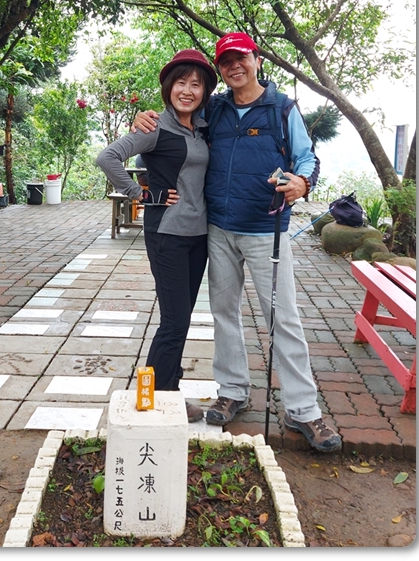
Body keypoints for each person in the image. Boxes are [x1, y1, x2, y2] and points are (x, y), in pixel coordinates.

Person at [133, 33, 341, 453]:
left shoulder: (282, 109)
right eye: (226, 61)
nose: (234, 66)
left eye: (240, 57)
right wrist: (144, 119)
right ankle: (232, 391)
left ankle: (303, 410)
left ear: (256, 59)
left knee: (282, 318)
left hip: (266, 229)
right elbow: (178, 115)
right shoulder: (215, 108)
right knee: (224, 313)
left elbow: (307, 158)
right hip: (218, 228)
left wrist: (302, 182)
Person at [96, 49, 218, 423]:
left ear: (204, 92)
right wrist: (141, 195)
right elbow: (107, 158)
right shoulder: (154, 128)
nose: (188, 90)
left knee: (180, 320)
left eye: (196, 84)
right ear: (168, 87)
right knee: (174, 323)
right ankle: (156, 397)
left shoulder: (202, 127)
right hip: (167, 235)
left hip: (198, 236)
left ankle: (165, 391)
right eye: (181, 82)